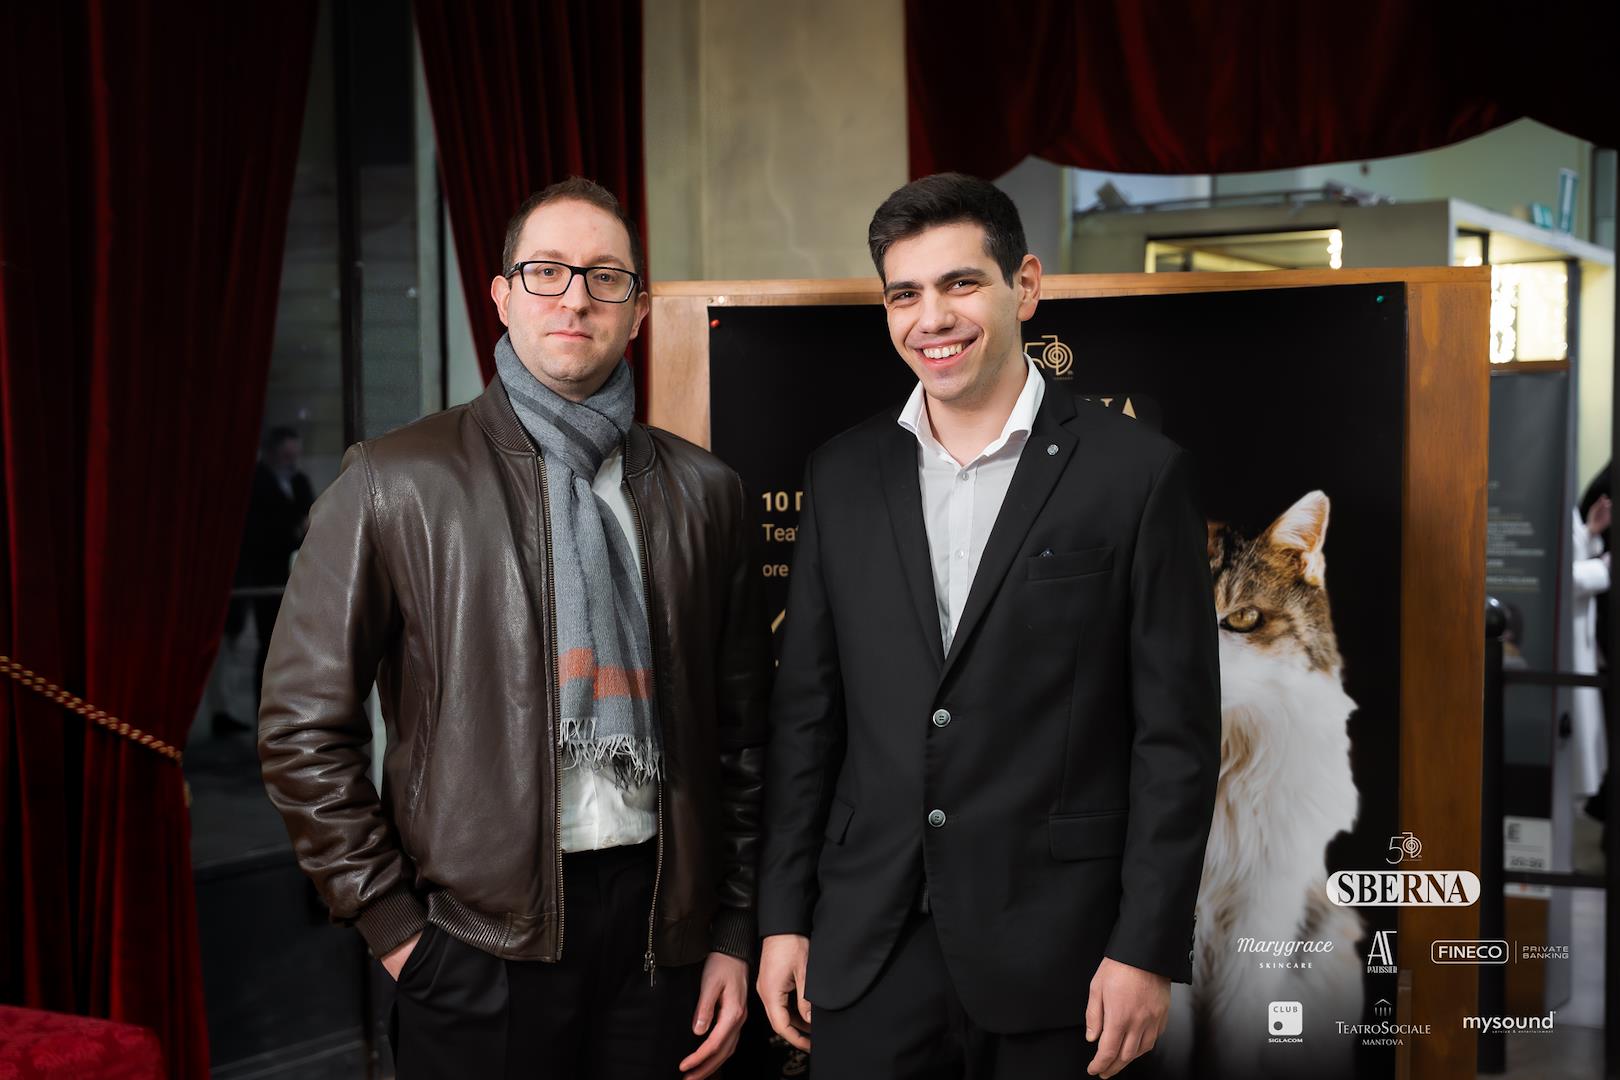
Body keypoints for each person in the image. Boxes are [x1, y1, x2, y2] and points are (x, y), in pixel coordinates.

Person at [259, 177, 770, 1080]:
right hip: (472, 947)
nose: (575, 297)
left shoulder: (706, 493)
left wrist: (732, 927)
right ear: (501, 295)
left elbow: (744, 737)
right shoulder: (393, 481)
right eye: (546, 271)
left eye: (605, 276)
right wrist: (395, 928)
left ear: (638, 310)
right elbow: (302, 728)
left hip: (665, 943)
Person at [755, 173, 1220, 1079]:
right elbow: (806, 717)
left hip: (1064, 956)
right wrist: (782, 918)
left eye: (960, 283)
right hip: (868, 945)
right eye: (904, 294)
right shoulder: (842, 476)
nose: (932, 318)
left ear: (1025, 286)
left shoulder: (1137, 474)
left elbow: (1176, 739)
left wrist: (1147, 945)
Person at [219, 425, 314, 731]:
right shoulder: (255, 483)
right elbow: (256, 531)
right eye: (286, 455)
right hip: (263, 575)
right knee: (266, 645)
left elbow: (311, 514)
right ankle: (266, 712)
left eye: (295, 455)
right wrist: (293, 530)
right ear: (271, 453)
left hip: (293, 574)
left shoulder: (299, 481)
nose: (292, 462)